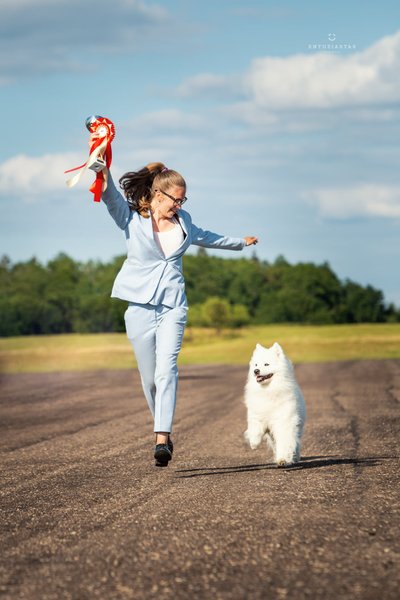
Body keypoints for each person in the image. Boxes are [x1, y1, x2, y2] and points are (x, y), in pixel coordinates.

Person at [99, 162, 258, 467]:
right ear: (157, 194)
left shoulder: (184, 221)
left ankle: (162, 438)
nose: (179, 205)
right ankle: (163, 429)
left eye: (183, 201)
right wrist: (102, 170)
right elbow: (110, 197)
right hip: (139, 308)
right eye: (176, 200)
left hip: (173, 305)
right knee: (149, 380)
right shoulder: (131, 220)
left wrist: (241, 242)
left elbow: (209, 237)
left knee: (166, 369)